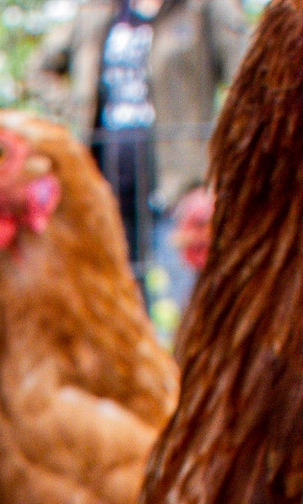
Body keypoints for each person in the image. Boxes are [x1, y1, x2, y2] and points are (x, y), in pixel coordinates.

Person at [30, 0, 248, 303]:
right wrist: (75, 108)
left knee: (190, 296)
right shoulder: (98, 11)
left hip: (179, 184)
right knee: (122, 297)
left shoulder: (201, 8)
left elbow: (248, 77)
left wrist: (223, 154)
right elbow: (39, 69)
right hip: (109, 182)